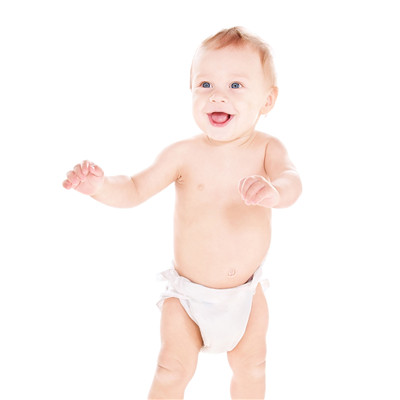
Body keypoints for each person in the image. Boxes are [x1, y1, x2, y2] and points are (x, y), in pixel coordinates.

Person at [63, 26, 302, 400]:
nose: (217, 95)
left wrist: (274, 192)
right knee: (172, 367)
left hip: (245, 296)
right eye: (204, 84)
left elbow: (292, 181)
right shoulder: (183, 154)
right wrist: (99, 186)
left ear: (268, 100)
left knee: (253, 366)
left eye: (236, 85)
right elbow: (135, 188)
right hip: (188, 298)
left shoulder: (267, 149)